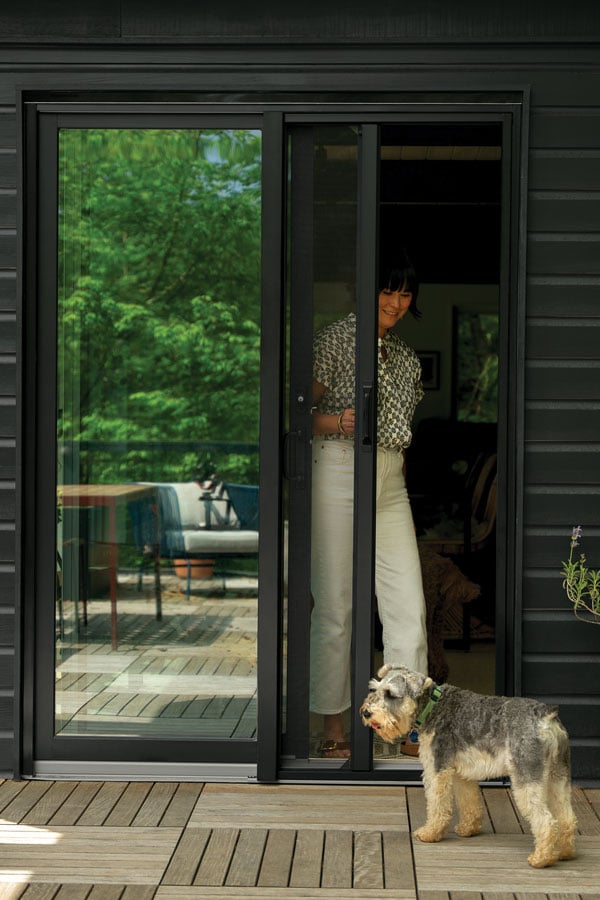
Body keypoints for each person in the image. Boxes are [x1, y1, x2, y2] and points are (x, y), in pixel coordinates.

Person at [310, 250, 428, 759]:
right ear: (367, 290)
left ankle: (399, 724)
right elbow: (298, 412)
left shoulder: (404, 357)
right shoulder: (337, 339)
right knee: (336, 605)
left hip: (389, 475)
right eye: (389, 290)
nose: (397, 303)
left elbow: (402, 429)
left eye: (405, 294)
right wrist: (337, 420)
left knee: (407, 608)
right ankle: (333, 728)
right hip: (337, 464)